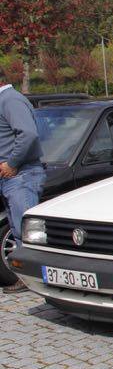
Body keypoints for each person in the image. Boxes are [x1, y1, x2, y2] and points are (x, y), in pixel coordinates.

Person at [0, 68, 45, 292]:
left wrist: (12, 163)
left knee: (27, 230)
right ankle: (27, 276)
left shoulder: (10, 100)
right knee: (18, 229)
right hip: (12, 177)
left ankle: (33, 278)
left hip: (21, 175)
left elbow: (28, 134)